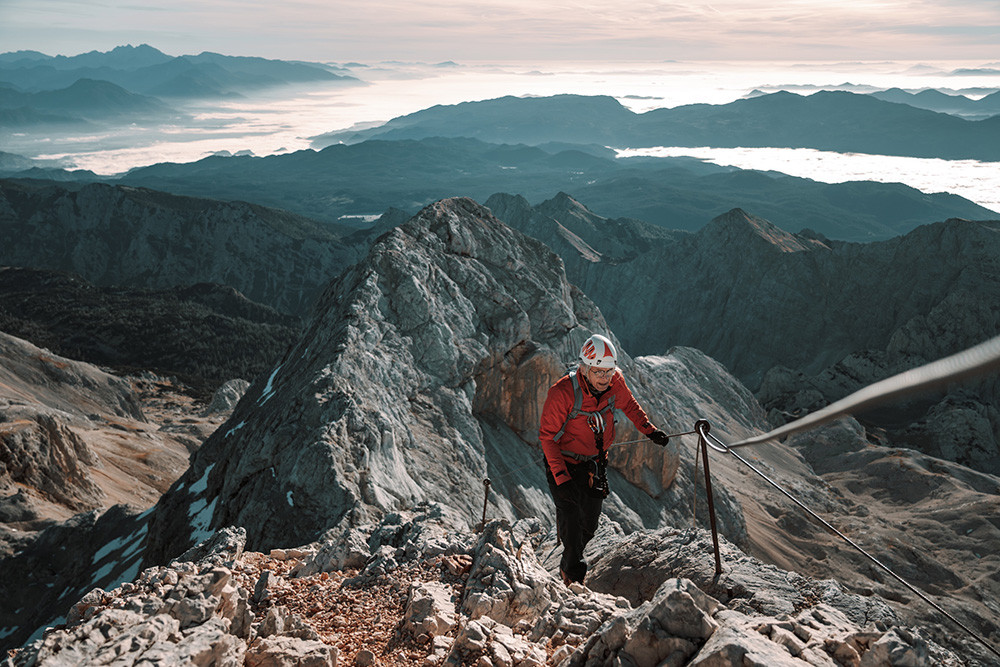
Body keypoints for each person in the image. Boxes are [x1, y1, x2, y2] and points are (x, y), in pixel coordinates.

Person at [539, 333, 671, 585]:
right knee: (572, 515)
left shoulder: (615, 383)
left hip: (594, 464)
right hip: (563, 462)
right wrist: (562, 478)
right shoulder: (563, 393)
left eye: (609, 371)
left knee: (589, 524)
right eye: (598, 371)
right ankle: (572, 575)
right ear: (585, 369)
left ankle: (570, 541)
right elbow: (547, 438)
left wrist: (650, 430)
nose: (604, 378)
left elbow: (630, 406)